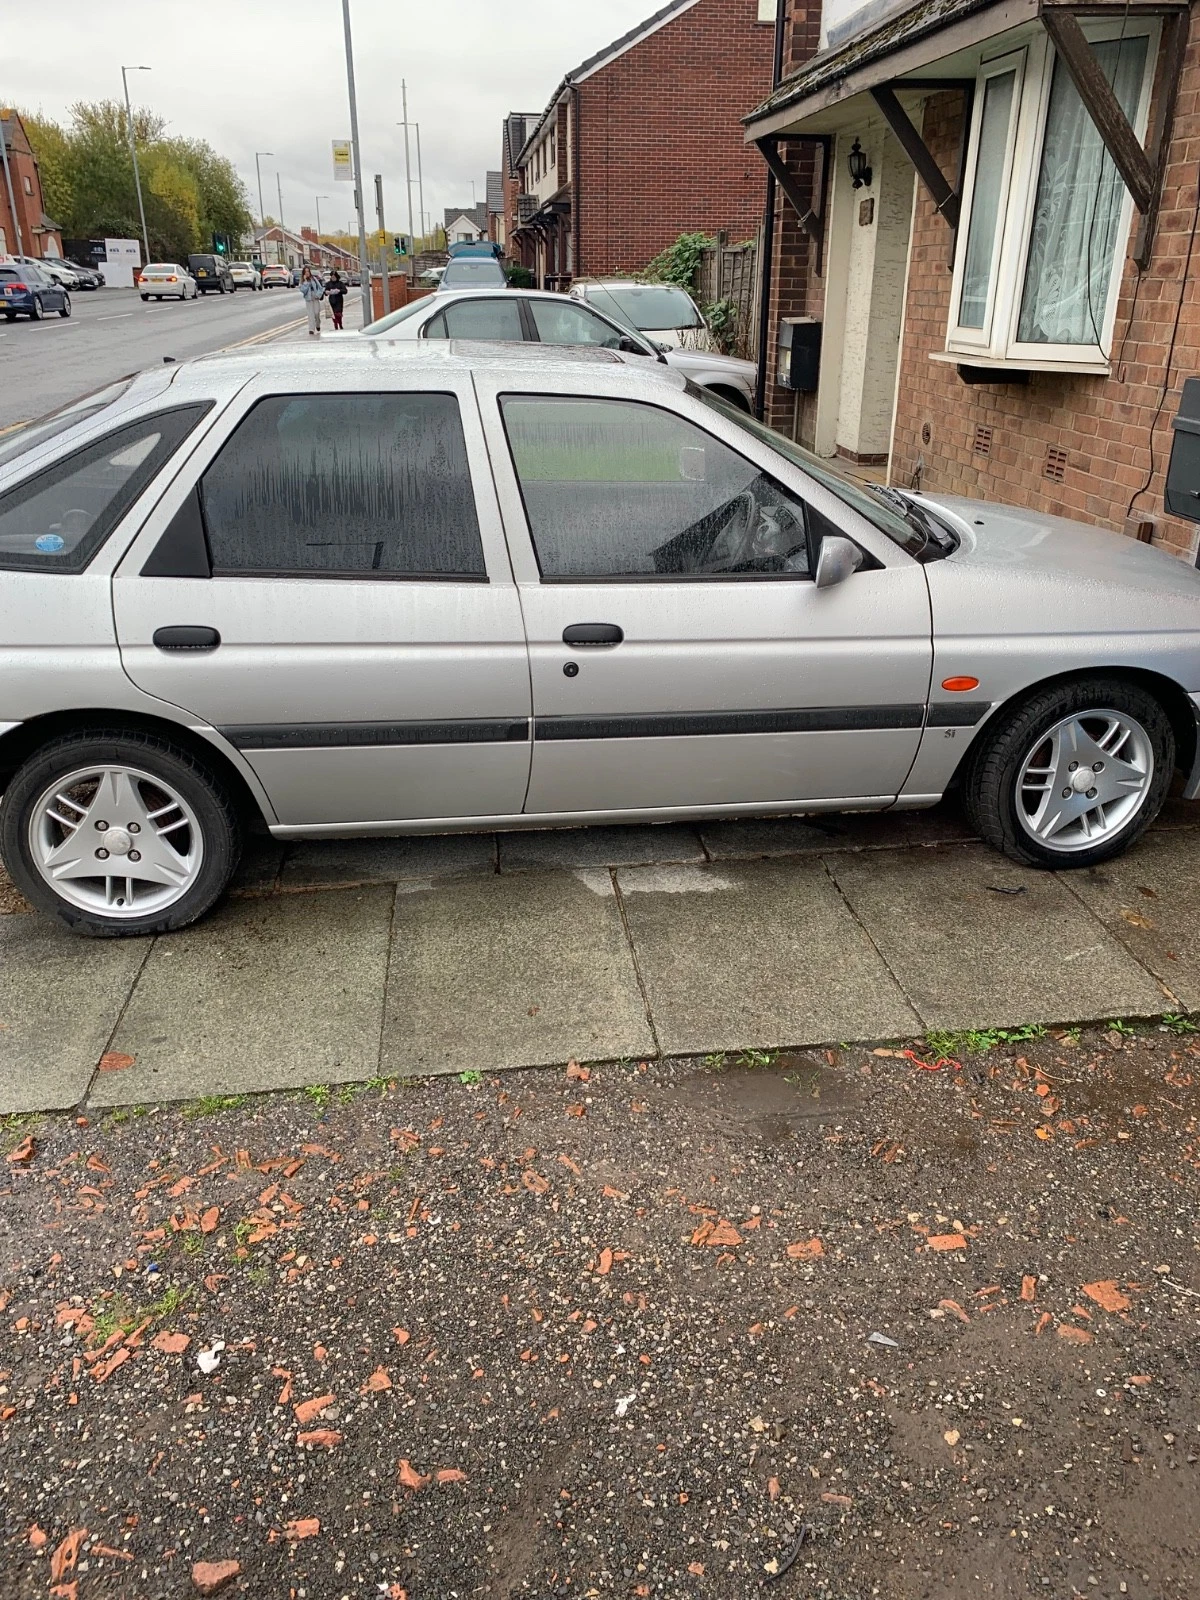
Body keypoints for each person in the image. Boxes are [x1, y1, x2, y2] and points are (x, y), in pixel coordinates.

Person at [298, 265, 324, 337]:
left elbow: (320, 288)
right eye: (305, 272)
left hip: (315, 298)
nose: (307, 273)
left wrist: (318, 295)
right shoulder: (302, 281)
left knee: (316, 313)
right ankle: (311, 329)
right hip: (308, 299)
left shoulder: (314, 279)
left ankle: (318, 324)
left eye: (308, 271)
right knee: (311, 315)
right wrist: (305, 281)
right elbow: (303, 290)